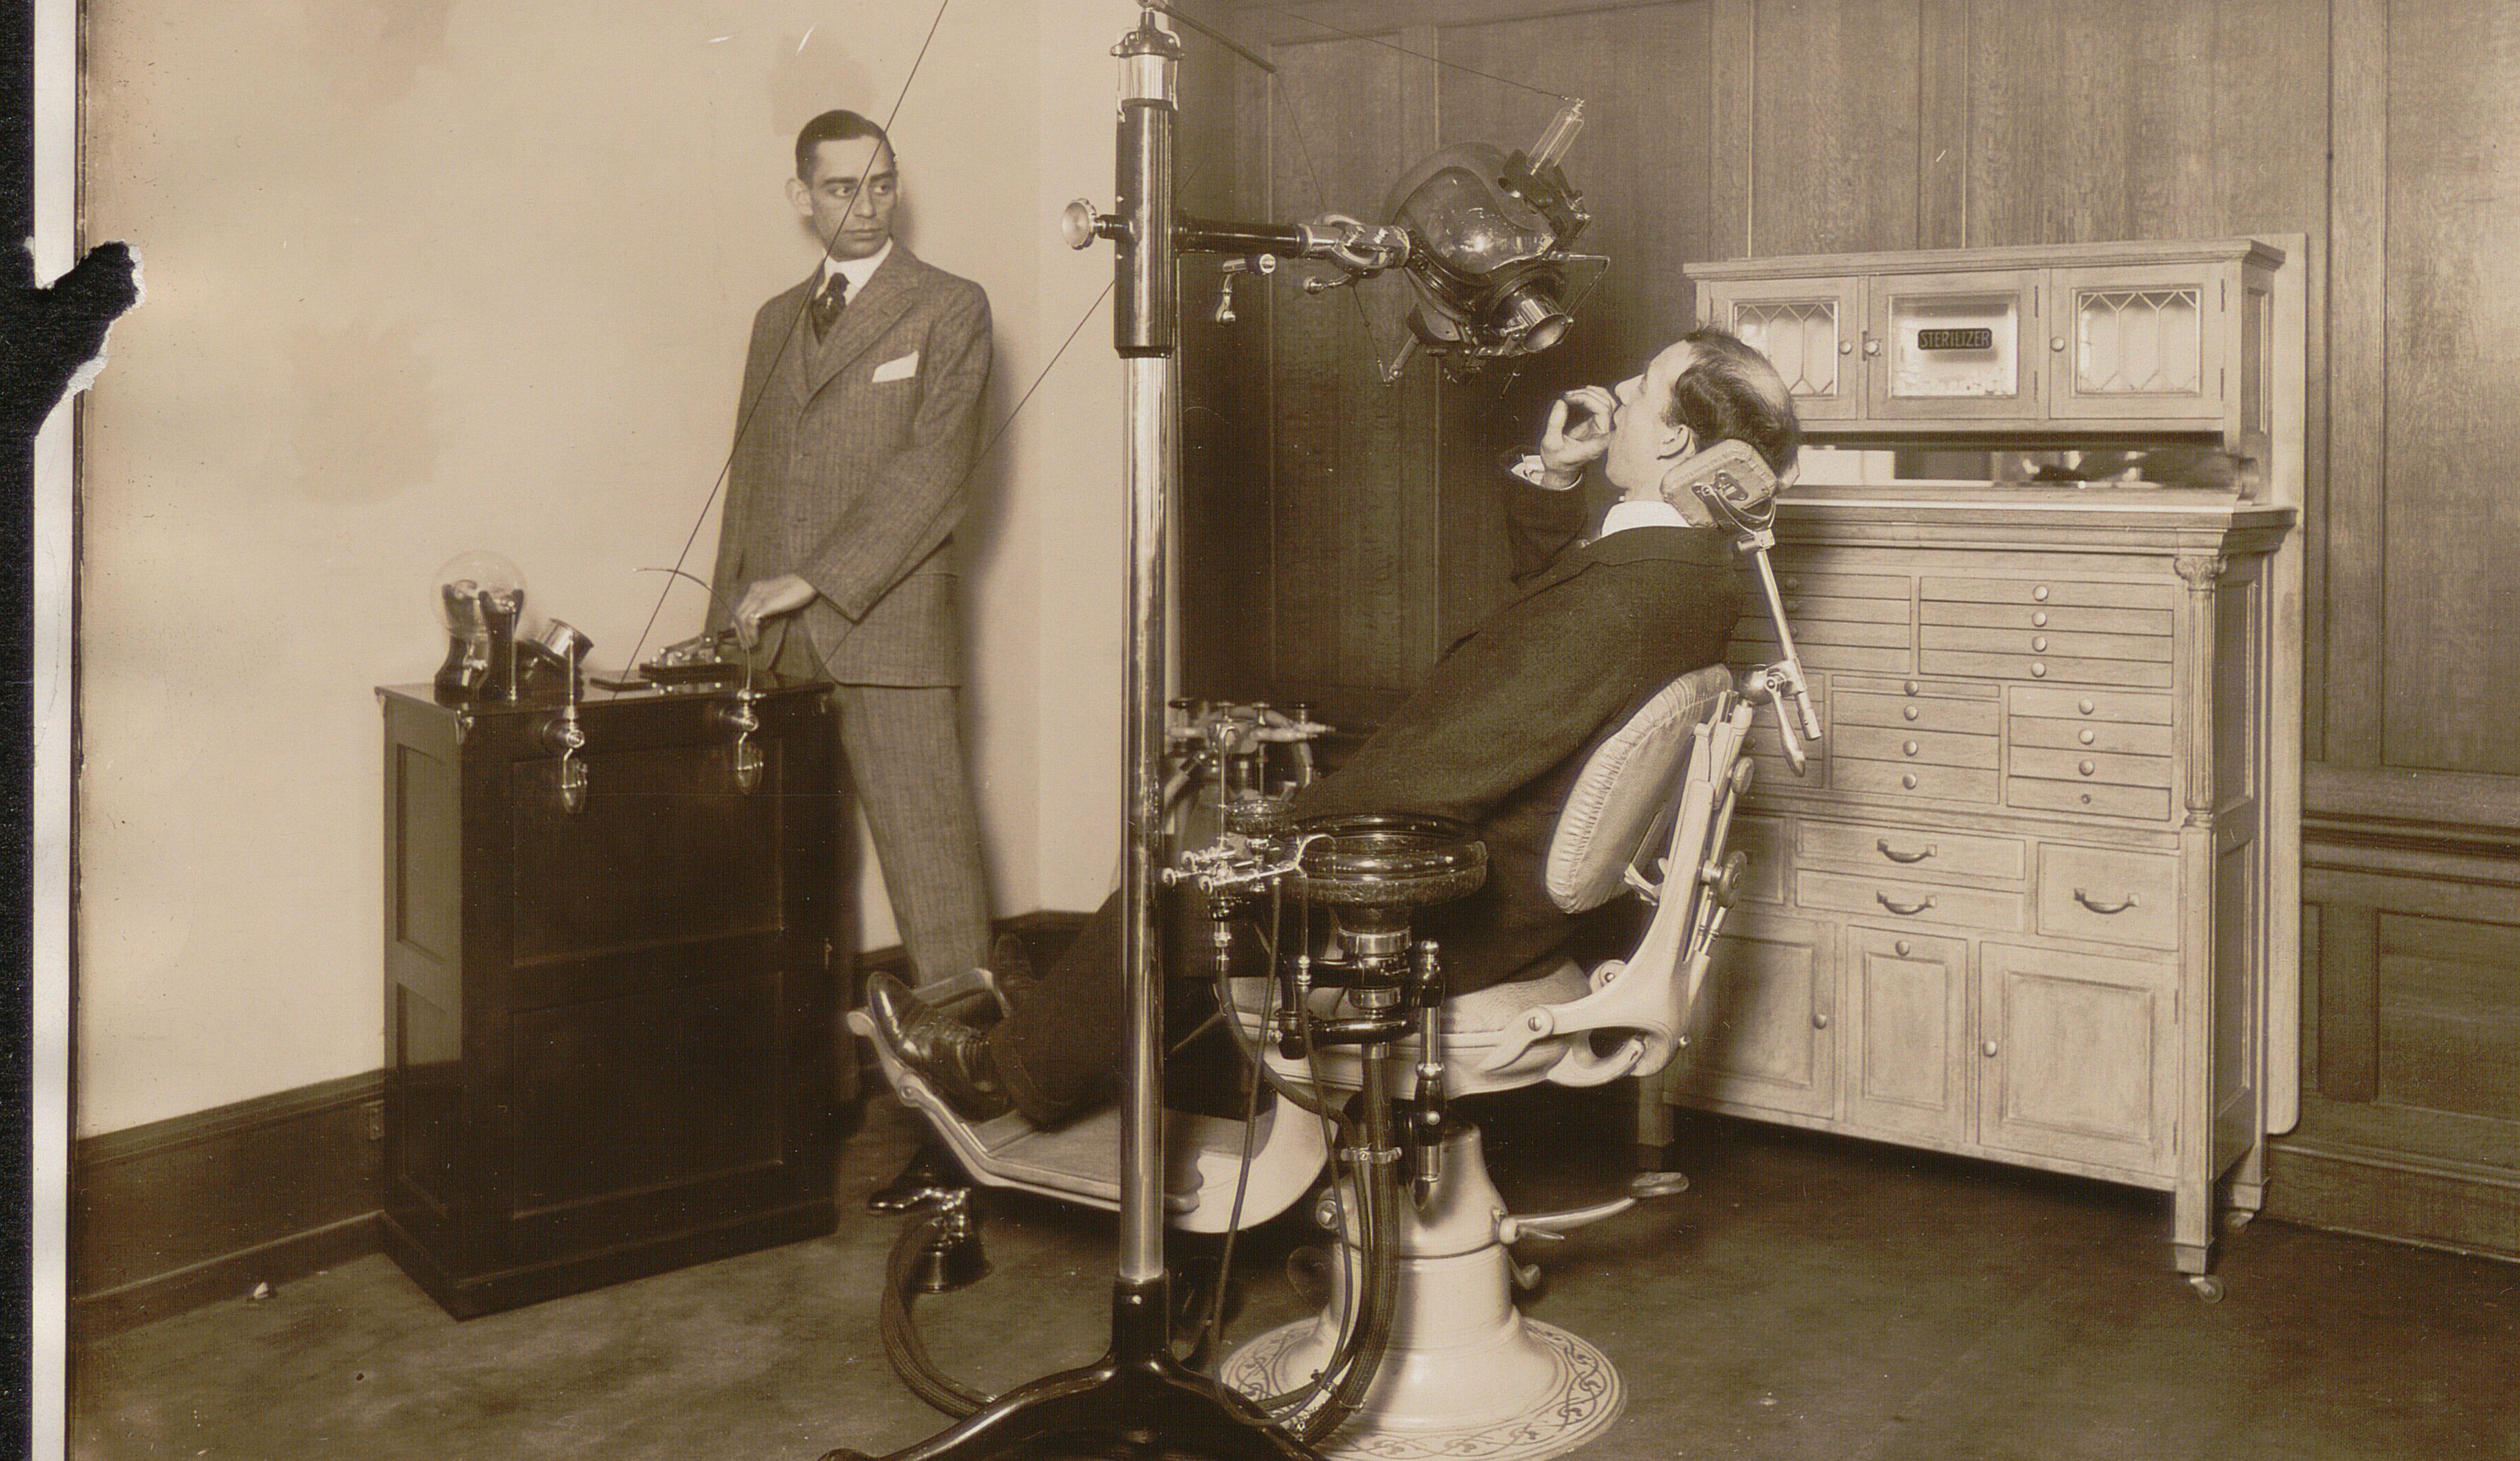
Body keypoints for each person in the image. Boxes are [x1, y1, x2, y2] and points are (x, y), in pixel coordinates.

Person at [865, 327, 1799, 1133]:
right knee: (1201, 884)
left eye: (1638, 395)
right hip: (1530, 898)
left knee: (1179, 887)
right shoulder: (1690, 574)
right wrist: (1552, 476)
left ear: (1675, 439)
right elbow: (1564, 610)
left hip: (1459, 900)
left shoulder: (1630, 596)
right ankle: (1057, 1019)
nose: (1619, 400)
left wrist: (1286, 819)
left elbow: (1453, 766)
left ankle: (1003, 1076)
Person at [710, 108, 997, 1210]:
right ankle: (799, 1118)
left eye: (880, 185)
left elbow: (936, 477)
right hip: (775, 642)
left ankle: (967, 1143)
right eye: (839, 189)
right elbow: (751, 479)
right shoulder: (776, 318)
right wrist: (729, 612)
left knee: (937, 892)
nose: (865, 205)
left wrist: (817, 579)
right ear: (801, 198)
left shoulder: (949, 307)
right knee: (791, 888)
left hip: (888, 632)